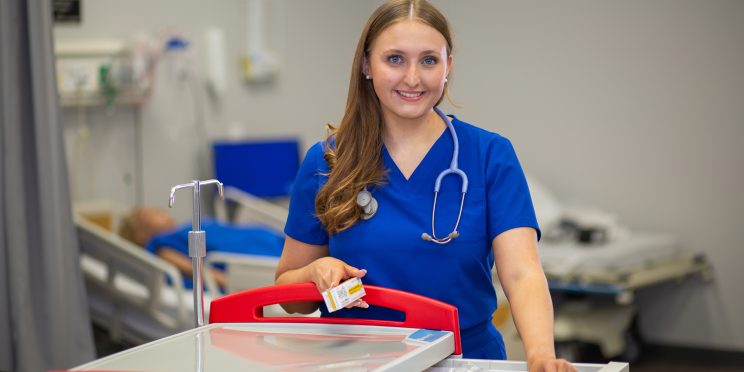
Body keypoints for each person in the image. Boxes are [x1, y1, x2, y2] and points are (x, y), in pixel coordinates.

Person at [275, 1, 575, 370]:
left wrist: (541, 354)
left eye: (429, 60)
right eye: (395, 59)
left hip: (463, 360)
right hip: (355, 361)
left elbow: (522, 274)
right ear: (367, 65)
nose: (413, 78)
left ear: (449, 66)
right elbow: (291, 295)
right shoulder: (327, 162)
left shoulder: (489, 155)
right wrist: (314, 275)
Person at [119, 207, 284, 289]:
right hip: (259, 258)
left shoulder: (182, 231)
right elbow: (199, 271)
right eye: (147, 213)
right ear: (139, 233)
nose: (156, 209)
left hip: (263, 241)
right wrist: (235, 283)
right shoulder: (162, 248)